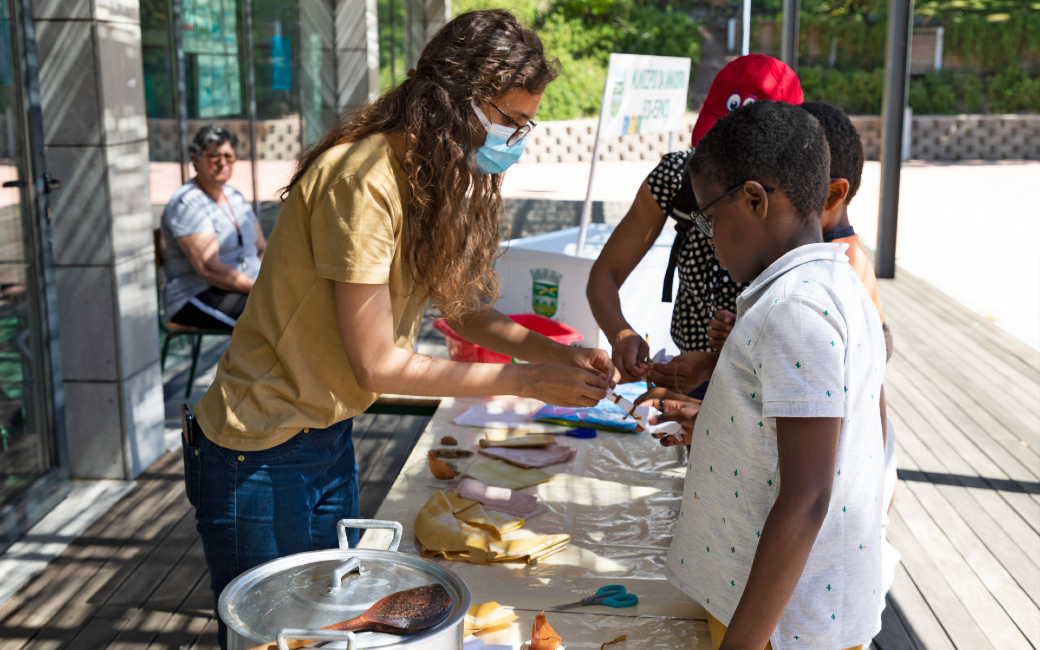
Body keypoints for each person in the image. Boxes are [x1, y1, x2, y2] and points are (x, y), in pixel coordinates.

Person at [184, 11, 614, 648]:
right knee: (279, 638)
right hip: (259, 447)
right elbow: (378, 365)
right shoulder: (363, 180)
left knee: (329, 629)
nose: (517, 139)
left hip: (324, 434)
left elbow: (462, 311)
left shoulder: (424, 177)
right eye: (512, 121)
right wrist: (526, 381)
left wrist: (559, 353)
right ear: (460, 101)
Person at [651, 100, 885, 649]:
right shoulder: (831, 286)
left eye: (709, 217)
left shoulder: (794, 312)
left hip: (779, 626)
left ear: (755, 200)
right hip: (774, 613)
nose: (707, 236)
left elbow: (806, 497)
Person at [587, 55, 803, 399]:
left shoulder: (799, 207)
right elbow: (605, 273)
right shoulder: (676, 179)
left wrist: (714, 363)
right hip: (689, 378)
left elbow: (801, 361)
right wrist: (621, 334)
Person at [161, 126, 265, 330]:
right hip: (197, 295)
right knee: (273, 321)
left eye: (229, 156)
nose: (223, 163)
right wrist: (262, 290)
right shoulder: (188, 203)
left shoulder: (234, 195)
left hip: (246, 288)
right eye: (214, 156)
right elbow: (210, 269)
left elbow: (261, 247)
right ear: (196, 159)